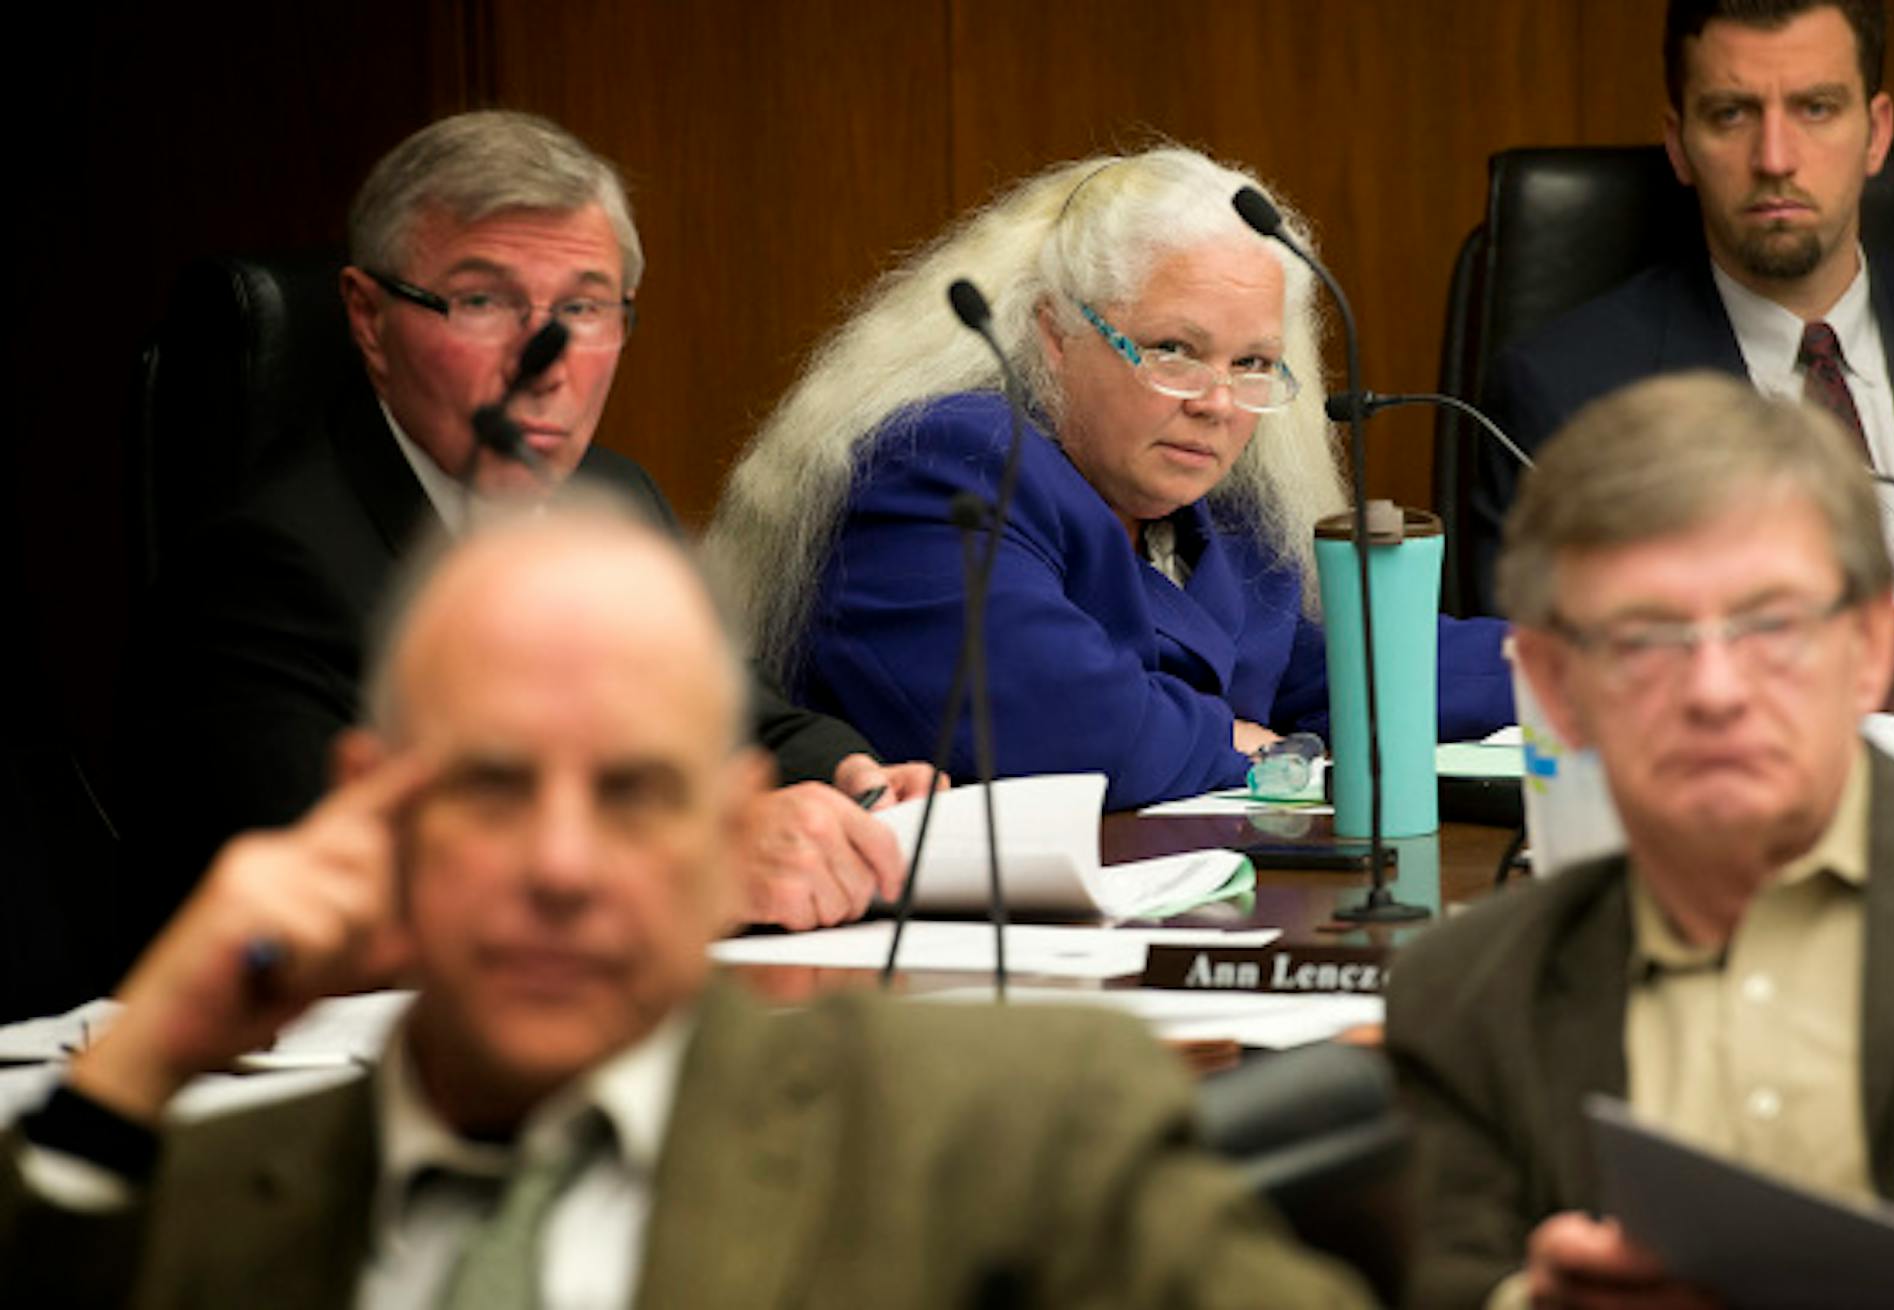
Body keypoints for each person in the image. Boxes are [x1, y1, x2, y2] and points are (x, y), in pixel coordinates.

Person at [3, 502, 1371, 1308]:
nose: (561, 862)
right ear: (373, 804)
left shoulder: (1010, 1136)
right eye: (490, 784)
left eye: (632, 792)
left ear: (728, 825)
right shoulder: (204, 1207)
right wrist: (150, 1044)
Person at [1387, 372, 1894, 1310]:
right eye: (1646, 638)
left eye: (1772, 625)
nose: (1716, 690)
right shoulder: (1468, 999)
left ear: (1873, 647)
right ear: (1555, 687)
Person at [116, 111, 931, 965]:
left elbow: (750, 723)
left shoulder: (613, 498)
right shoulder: (264, 568)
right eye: (482, 303)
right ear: (366, 317)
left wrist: (853, 780)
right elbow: (322, 905)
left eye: (581, 308)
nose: (544, 363)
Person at [712, 146, 1514, 812]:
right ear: (1055, 335)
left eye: (1254, 364)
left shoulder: (1208, 509)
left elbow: (1346, 668)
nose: (1218, 403)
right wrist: (1250, 749)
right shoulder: (948, 461)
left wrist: (1574, 667)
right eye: (1173, 349)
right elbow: (1070, 729)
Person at [1471, 0, 1894, 623]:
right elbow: (1547, 690)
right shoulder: (1563, 399)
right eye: (1731, 114)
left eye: (1816, 108)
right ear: (1679, 143)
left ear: (1877, 132)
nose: (1775, 158)